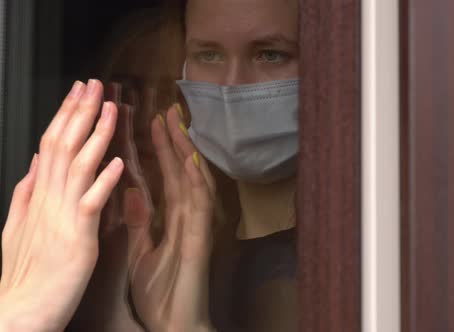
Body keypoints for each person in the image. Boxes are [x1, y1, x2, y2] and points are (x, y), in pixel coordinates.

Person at [0, 0, 299, 331]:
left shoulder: (272, 270)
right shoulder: (55, 261)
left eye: (168, 94)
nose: (143, 118)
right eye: (128, 92)